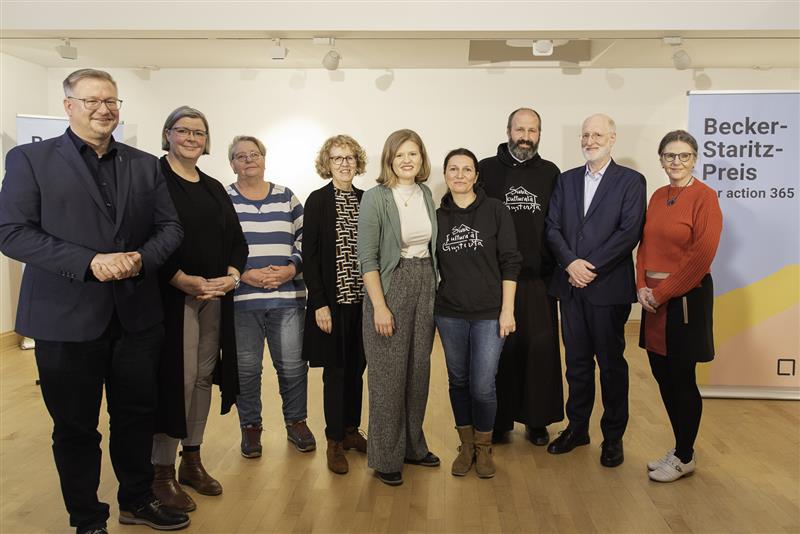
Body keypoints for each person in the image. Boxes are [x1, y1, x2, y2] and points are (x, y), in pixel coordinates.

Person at [0, 68, 188, 533]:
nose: (104, 109)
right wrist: (91, 262)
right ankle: (87, 518)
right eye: (92, 101)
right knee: (76, 427)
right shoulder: (29, 159)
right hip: (65, 320)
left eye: (111, 101)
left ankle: (137, 501)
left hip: (137, 317)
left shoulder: (145, 164)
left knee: (136, 417)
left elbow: (171, 229)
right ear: (69, 106)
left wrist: (138, 260)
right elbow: (12, 233)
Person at [151, 106, 248, 511]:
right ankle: (160, 471)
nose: (192, 138)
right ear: (168, 134)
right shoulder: (153, 179)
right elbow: (143, 234)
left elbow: (236, 241)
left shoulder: (212, 187)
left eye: (199, 132)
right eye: (184, 130)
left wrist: (232, 275)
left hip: (214, 296)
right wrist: (176, 278)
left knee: (204, 377)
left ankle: (192, 457)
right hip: (172, 297)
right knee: (178, 378)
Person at [545, 113, 646, 468]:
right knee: (576, 363)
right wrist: (571, 263)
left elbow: (628, 233)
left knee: (611, 365)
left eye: (597, 134)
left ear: (613, 138)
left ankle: (613, 437)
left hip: (607, 288)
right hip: (570, 287)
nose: (590, 140)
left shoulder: (631, 181)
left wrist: (588, 268)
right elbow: (553, 226)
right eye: (585, 134)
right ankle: (577, 428)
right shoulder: (567, 180)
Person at [637, 130, 722, 482]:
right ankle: (680, 446)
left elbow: (701, 255)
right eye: (670, 156)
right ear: (661, 159)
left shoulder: (705, 197)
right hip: (653, 297)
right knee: (661, 374)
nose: (676, 162)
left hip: (685, 297)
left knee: (682, 377)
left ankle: (685, 454)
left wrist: (663, 291)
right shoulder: (658, 196)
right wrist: (641, 284)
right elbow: (643, 245)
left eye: (684, 156)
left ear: (695, 159)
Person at [478, 107, 564, 446]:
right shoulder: (485, 169)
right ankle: (498, 421)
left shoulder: (550, 173)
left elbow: (558, 223)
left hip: (538, 278)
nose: (525, 136)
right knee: (499, 353)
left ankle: (537, 420)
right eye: (520, 129)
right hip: (496, 279)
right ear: (508, 130)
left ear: (539, 134)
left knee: (538, 350)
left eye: (532, 130)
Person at [358, 129, 439, 486]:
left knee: (418, 372)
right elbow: (367, 258)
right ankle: (385, 457)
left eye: (414, 154)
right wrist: (380, 306)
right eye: (401, 154)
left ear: (422, 159)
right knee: (388, 377)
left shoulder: (424, 193)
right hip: (391, 286)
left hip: (425, 282)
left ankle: (412, 447)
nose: (408, 160)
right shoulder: (376, 198)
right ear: (389, 158)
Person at [226, 135, 316, 457]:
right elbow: (218, 243)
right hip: (241, 300)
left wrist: (292, 268)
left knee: (292, 366)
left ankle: (296, 423)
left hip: (288, 299)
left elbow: (307, 237)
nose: (249, 160)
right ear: (232, 163)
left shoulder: (287, 197)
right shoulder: (224, 199)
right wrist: (243, 272)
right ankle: (250, 428)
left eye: (254, 154)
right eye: (240, 156)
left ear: (264, 159)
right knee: (247, 370)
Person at [435, 148, 521, 478]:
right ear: (445, 175)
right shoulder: (437, 215)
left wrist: (507, 310)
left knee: (483, 385)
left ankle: (484, 448)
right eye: (453, 169)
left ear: (475, 175)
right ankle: (466, 444)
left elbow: (510, 261)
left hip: (489, 313)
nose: (459, 174)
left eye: (466, 169)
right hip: (449, 313)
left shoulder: (496, 210)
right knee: (458, 380)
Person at [302, 135, 369, 475]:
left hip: (364, 304)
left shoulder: (367, 199)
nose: (344, 163)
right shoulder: (317, 201)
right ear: (327, 163)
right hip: (332, 304)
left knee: (358, 369)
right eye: (337, 158)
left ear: (358, 162)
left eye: (350, 157)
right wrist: (319, 303)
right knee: (336, 372)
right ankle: (333, 442)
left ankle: (351, 430)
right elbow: (309, 257)